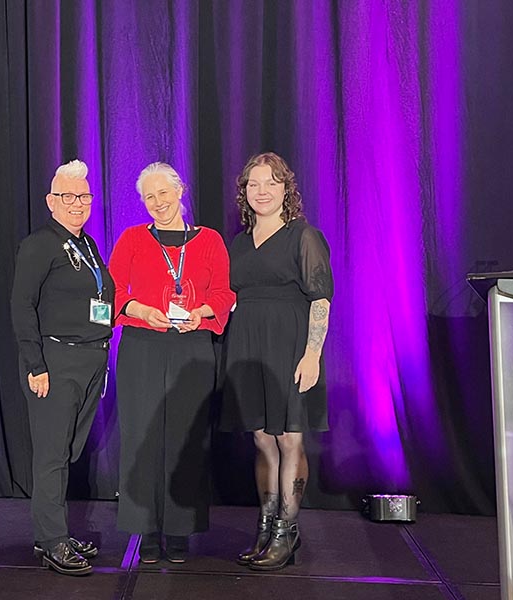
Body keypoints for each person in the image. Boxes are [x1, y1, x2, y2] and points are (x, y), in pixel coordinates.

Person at [109, 162, 235, 564]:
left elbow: (224, 292)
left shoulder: (210, 240)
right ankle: (144, 529)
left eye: (164, 193)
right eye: (149, 196)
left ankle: (179, 530)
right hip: (142, 345)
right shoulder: (131, 239)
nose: (158, 202)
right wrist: (138, 309)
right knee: (142, 438)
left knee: (185, 439)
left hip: (191, 345)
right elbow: (107, 293)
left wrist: (202, 312)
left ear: (180, 192)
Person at [221, 152, 333, 571]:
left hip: (290, 348)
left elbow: (320, 298)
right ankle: (266, 528)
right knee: (262, 440)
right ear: (244, 192)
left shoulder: (303, 236)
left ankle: (287, 532)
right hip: (248, 349)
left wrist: (312, 354)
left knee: (289, 438)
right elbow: (229, 297)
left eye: (270, 182)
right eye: (253, 184)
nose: (261, 191)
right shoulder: (237, 243)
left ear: (286, 189)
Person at [10, 159, 114, 576]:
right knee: (53, 454)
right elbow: (22, 306)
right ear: (51, 201)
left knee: (70, 450)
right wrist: (35, 364)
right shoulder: (39, 244)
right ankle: (51, 540)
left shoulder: (86, 244)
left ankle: (57, 532)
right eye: (68, 196)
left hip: (91, 359)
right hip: (55, 361)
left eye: (84, 197)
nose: (77, 204)